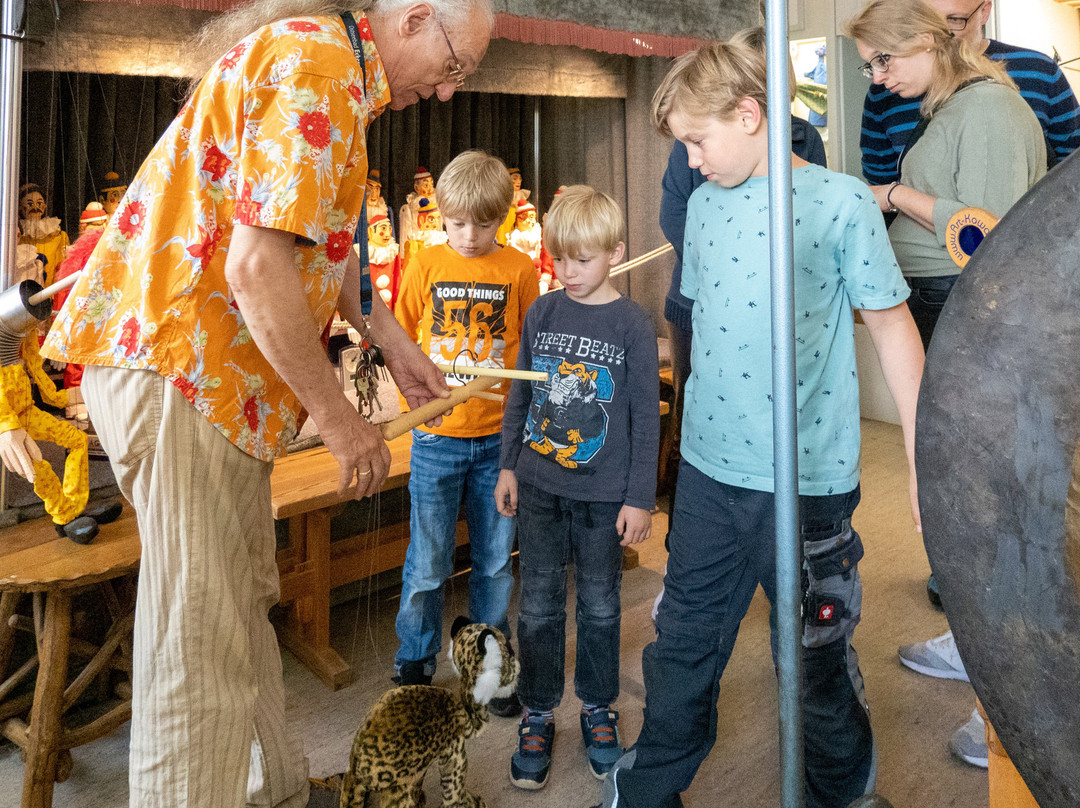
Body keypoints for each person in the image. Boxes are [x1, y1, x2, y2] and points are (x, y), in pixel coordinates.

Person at [42, 0, 493, 805]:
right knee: (197, 642)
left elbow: (327, 256)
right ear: (417, 17)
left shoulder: (337, 76)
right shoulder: (318, 68)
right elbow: (255, 269)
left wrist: (395, 344)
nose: (451, 91)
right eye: (455, 64)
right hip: (185, 372)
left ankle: (270, 790)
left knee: (240, 600)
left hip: (213, 387)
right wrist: (338, 419)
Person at [600, 40, 925, 808]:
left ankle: (844, 795)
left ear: (749, 115)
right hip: (710, 476)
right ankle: (646, 792)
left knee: (814, 662)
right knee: (680, 649)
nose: (689, 159)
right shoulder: (706, 208)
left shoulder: (842, 204)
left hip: (807, 483)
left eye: (696, 140)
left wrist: (922, 457)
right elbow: (705, 332)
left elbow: (893, 333)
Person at [845, 0, 1047, 772]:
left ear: (928, 43)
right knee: (964, 506)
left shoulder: (990, 108)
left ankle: (1001, 704)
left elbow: (985, 235)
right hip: (936, 305)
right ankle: (976, 653)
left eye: (884, 61)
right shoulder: (959, 106)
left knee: (986, 508)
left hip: (961, 311)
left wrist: (891, 196)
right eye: (868, 66)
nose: (878, 77)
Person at [496, 185, 660, 791]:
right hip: (538, 487)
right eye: (558, 258)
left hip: (603, 496)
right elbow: (521, 393)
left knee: (598, 605)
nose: (567, 272)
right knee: (537, 605)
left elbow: (647, 416)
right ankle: (538, 710)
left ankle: (596, 706)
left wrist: (640, 497)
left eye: (582, 260)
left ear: (615, 252)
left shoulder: (632, 325)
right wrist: (508, 465)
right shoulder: (541, 312)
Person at [391, 150, 539, 714]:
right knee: (428, 560)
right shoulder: (424, 264)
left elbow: (528, 349)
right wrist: (412, 400)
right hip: (436, 441)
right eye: (457, 223)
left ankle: (489, 666)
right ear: (440, 217)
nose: (470, 235)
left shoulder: (520, 270)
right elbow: (400, 341)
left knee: (497, 561)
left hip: (499, 445)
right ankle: (415, 658)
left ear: (503, 218)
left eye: (484, 223)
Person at [658, 25, 828, 501]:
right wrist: (727, 272)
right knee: (695, 412)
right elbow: (675, 213)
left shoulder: (802, 137)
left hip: (773, 303)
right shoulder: (694, 141)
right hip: (696, 303)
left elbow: (807, 218)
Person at [858, 0, 1079, 187]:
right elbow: (881, 188)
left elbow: (1073, 168)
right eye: (929, 21)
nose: (941, 35)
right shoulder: (883, 94)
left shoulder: (1039, 72)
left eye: (954, 20)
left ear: (984, 12)